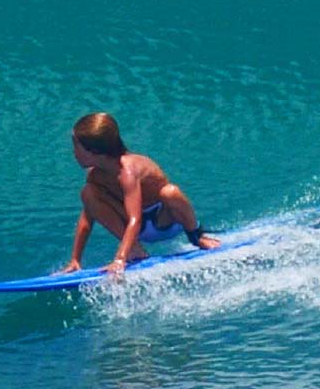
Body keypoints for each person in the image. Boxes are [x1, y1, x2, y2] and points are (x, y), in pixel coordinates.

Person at [60, 112, 221, 274]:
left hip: (164, 220)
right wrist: (75, 259)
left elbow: (134, 219)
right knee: (88, 193)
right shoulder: (95, 175)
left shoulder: (127, 171)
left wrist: (119, 259)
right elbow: (87, 218)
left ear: (93, 151)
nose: (73, 153)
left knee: (170, 192)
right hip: (135, 228)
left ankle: (197, 236)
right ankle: (136, 250)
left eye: (76, 147)